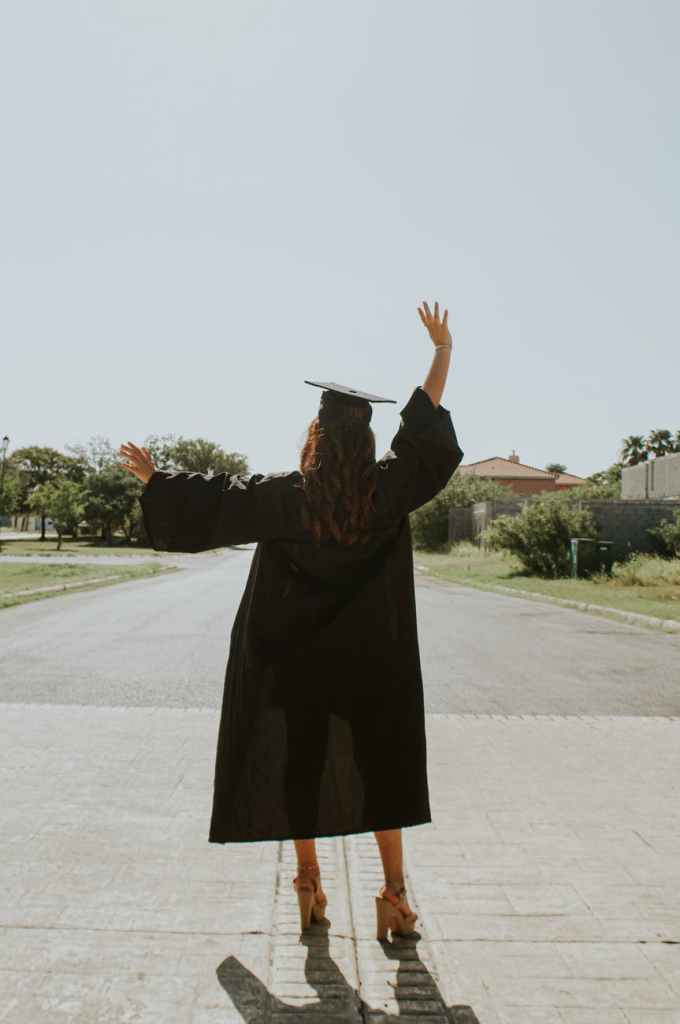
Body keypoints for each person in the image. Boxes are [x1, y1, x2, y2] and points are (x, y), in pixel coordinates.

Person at [118, 299, 463, 940]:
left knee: (302, 764)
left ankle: (308, 883)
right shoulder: (387, 491)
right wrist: (442, 351)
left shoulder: (284, 496)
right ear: (365, 439)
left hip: (294, 665)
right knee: (381, 767)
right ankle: (394, 896)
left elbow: (214, 499)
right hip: (370, 662)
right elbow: (422, 437)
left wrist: (157, 480)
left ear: (316, 436)